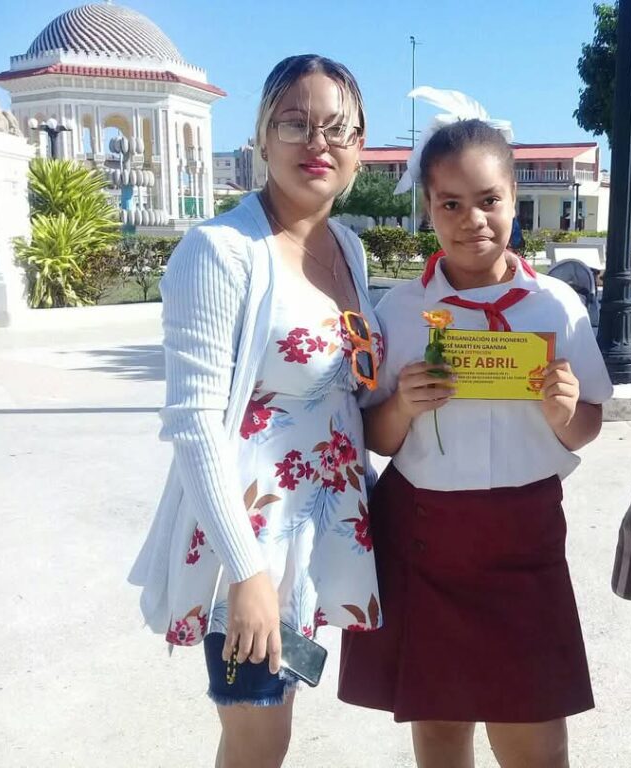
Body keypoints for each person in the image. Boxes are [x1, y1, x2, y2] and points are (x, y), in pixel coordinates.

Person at [338, 89, 613, 768]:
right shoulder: (401, 311)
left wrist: (563, 410)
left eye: (488, 200)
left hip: (525, 538)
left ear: (514, 198)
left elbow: (586, 427)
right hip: (426, 539)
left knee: (536, 740)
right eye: (451, 204)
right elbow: (376, 438)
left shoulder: (557, 305)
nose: (472, 220)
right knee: (439, 731)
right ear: (427, 207)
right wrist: (403, 405)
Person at [128, 55, 381, 768]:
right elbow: (194, 424)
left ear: (360, 145)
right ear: (263, 138)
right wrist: (247, 574)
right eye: (295, 124)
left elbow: (350, 388)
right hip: (247, 539)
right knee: (257, 736)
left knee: (275, 728)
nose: (318, 144)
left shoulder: (348, 247)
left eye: (337, 128)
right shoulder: (219, 250)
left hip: (318, 530)